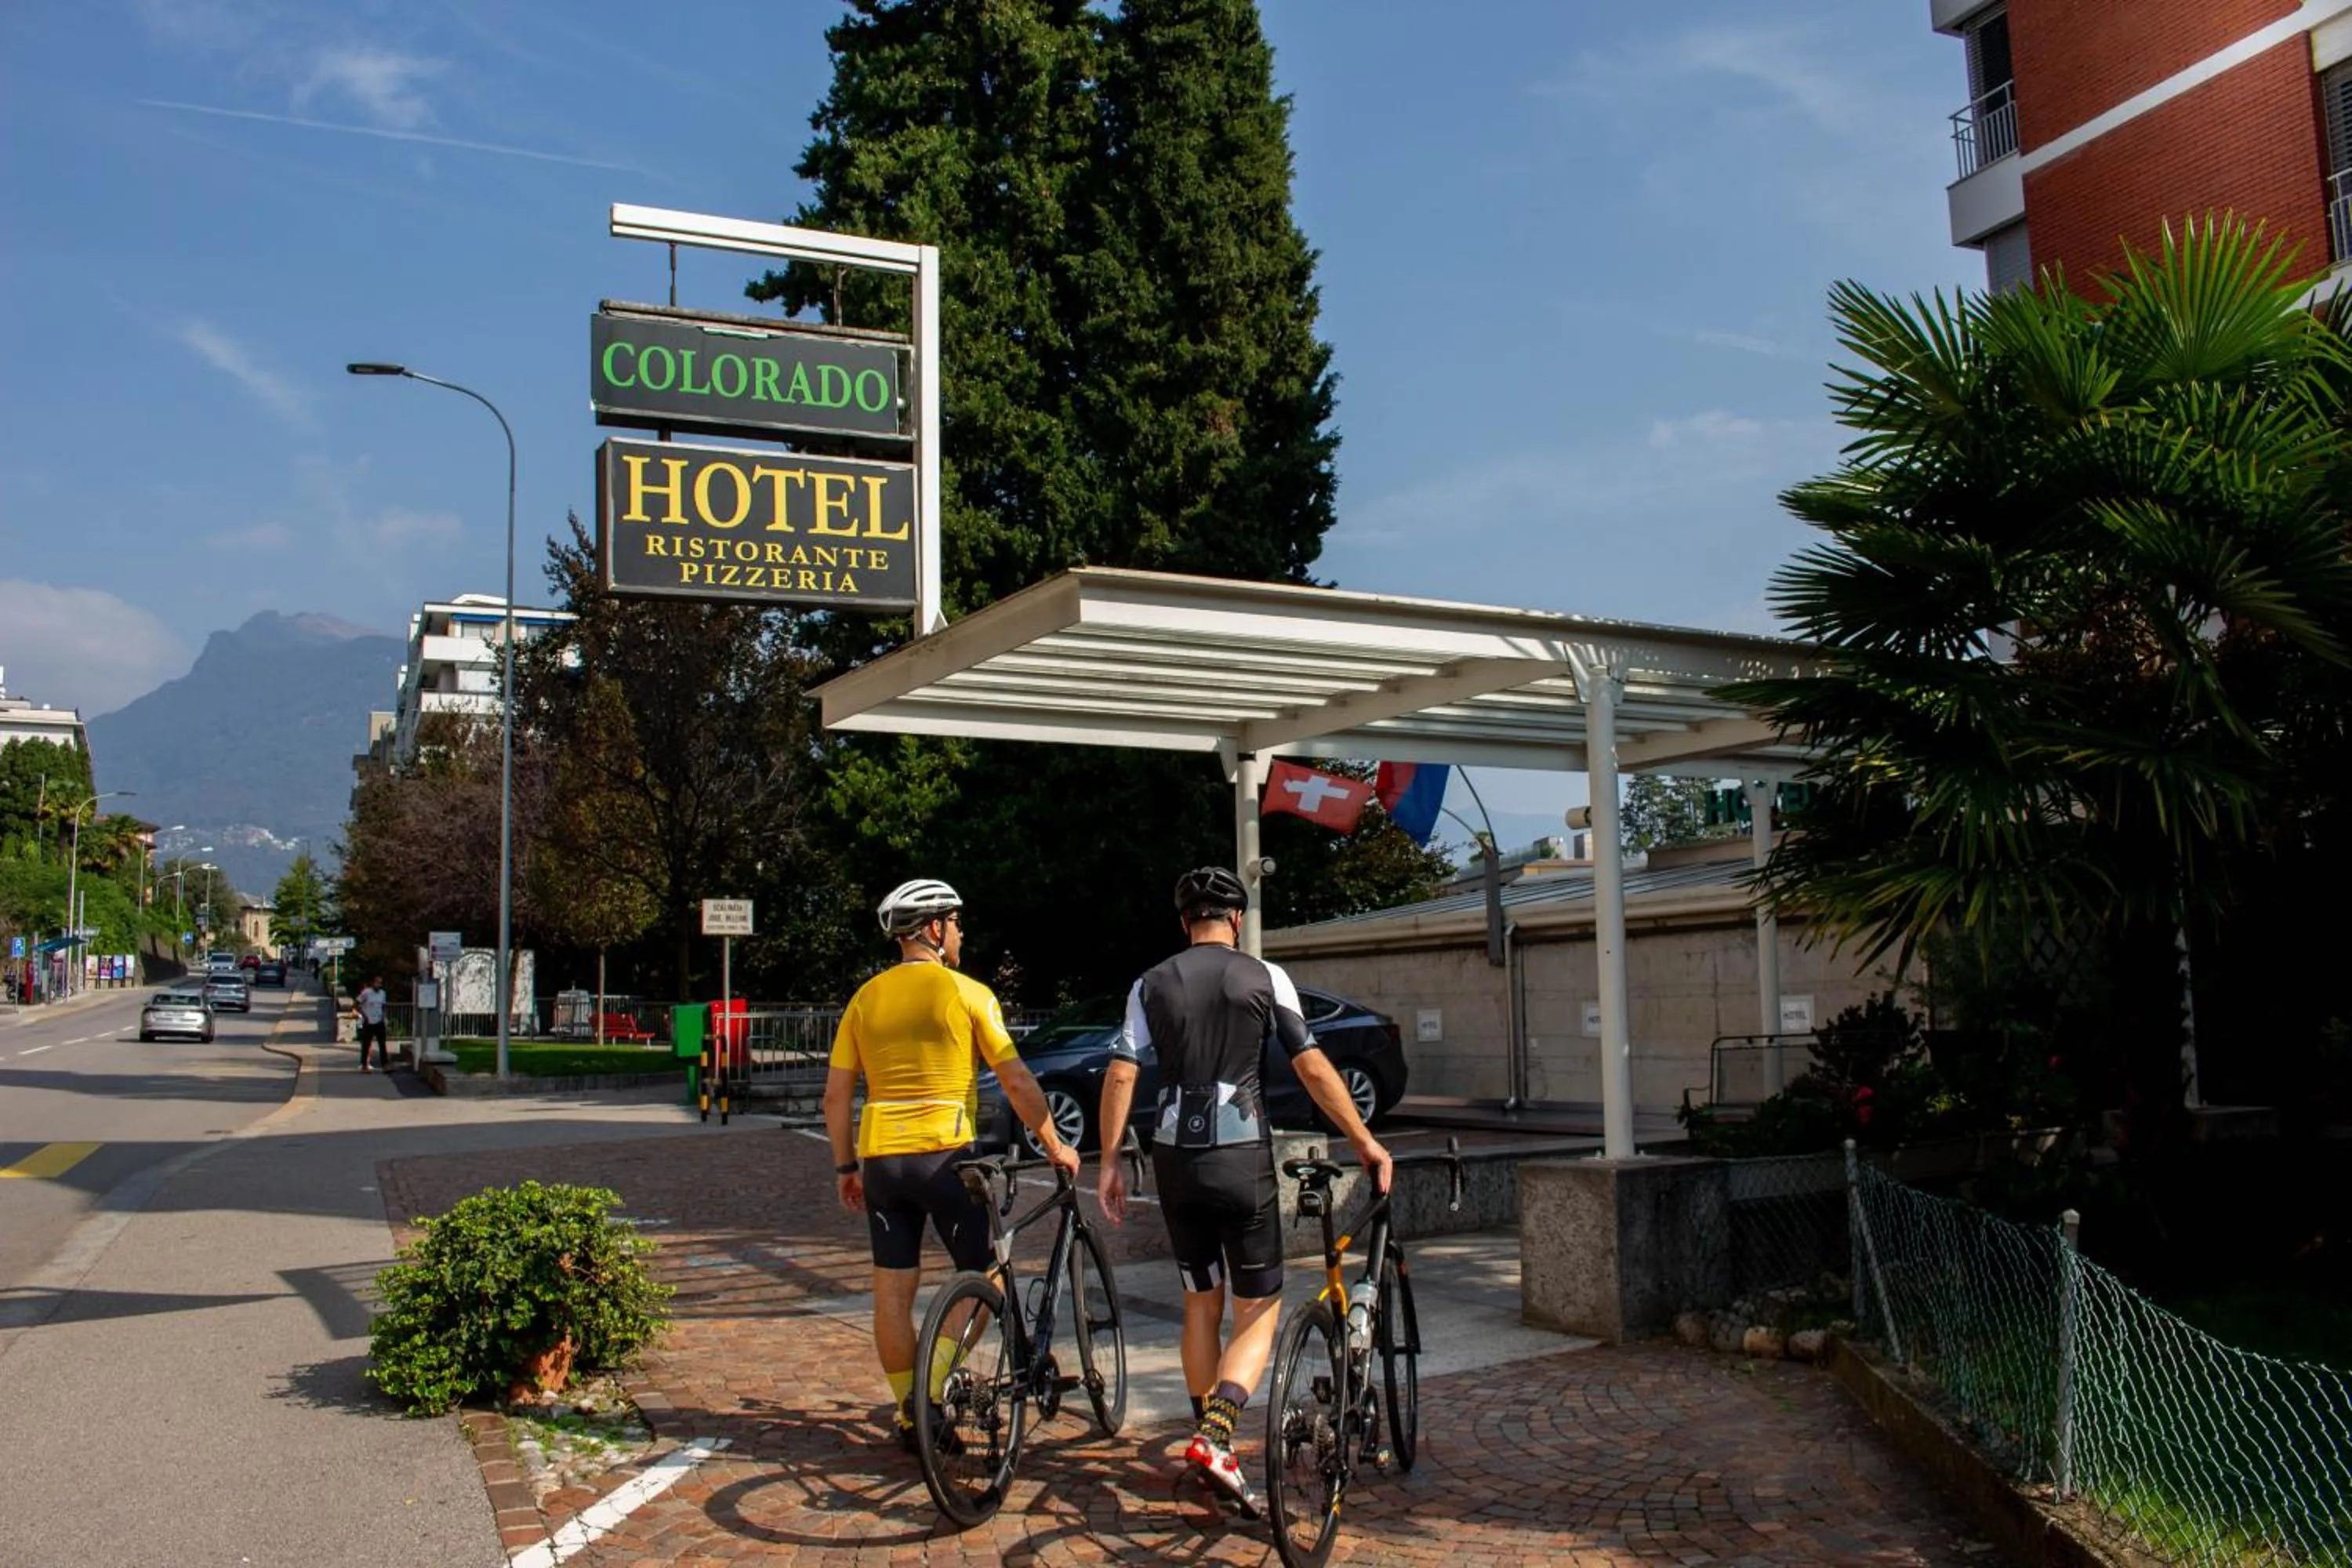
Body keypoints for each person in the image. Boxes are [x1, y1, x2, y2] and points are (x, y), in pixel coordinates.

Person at [1096, 866, 1392, 1513]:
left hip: (1175, 1159)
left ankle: (1209, 1438)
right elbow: (1311, 1065)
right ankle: (1218, 1432)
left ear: (1183, 923)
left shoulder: (1149, 984)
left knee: (1200, 1299)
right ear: (1236, 920)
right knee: (1258, 1307)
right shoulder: (1266, 977)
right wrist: (1364, 1140)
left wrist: (1111, 1160)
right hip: (1240, 1159)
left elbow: (1122, 1073)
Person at [823, 877, 1080, 1452]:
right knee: (984, 1275)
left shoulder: (864, 1000)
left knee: (891, 1292)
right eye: (957, 923)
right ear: (936, 929)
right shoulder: (968, 992)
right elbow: (1015, 1078)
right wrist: (1055, 1142)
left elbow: (835, 1098)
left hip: (882, 1161)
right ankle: (929, 1390)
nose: (961, 933)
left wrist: (845, 1169)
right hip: (945, 1155)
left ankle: (913, 1414)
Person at [354, 975, 388, 1072]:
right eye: (377, 982)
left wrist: (384, 1017)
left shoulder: (382, 993)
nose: (379, 985)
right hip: (369, 1022)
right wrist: (364, 1015)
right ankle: (364, 1065)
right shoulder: (367, 993)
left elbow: (384, 1006)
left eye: (380, 983)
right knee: (366, 1044)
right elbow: (356, 1004)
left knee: (382, 1044)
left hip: (379, 1021)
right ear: (373, 983)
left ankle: (385, 1064)